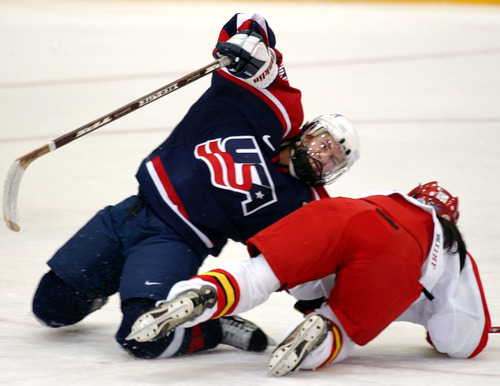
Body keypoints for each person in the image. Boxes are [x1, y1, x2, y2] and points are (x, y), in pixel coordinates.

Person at [31, 13, 361, 360]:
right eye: (324, 143)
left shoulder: (305, 205)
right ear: (308, 130)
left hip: (175, 243)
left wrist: (329, 316)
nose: (323, 156)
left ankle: (214, 327)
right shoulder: (274, 112)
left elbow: (312, 266)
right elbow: (249, 25)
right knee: (51, 308)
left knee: (142, 337)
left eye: (334, 159)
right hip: (129, 212)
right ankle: (113, 280)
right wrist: (253, 49)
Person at [126, 181, 491, 376]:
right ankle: (322, 330)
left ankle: (204, 293)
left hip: (343, 212)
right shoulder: (448, 247)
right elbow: (463, 338)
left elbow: (340, 259)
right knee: (341, 323)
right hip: (396, 257)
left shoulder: (386, 199)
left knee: (257, 274)